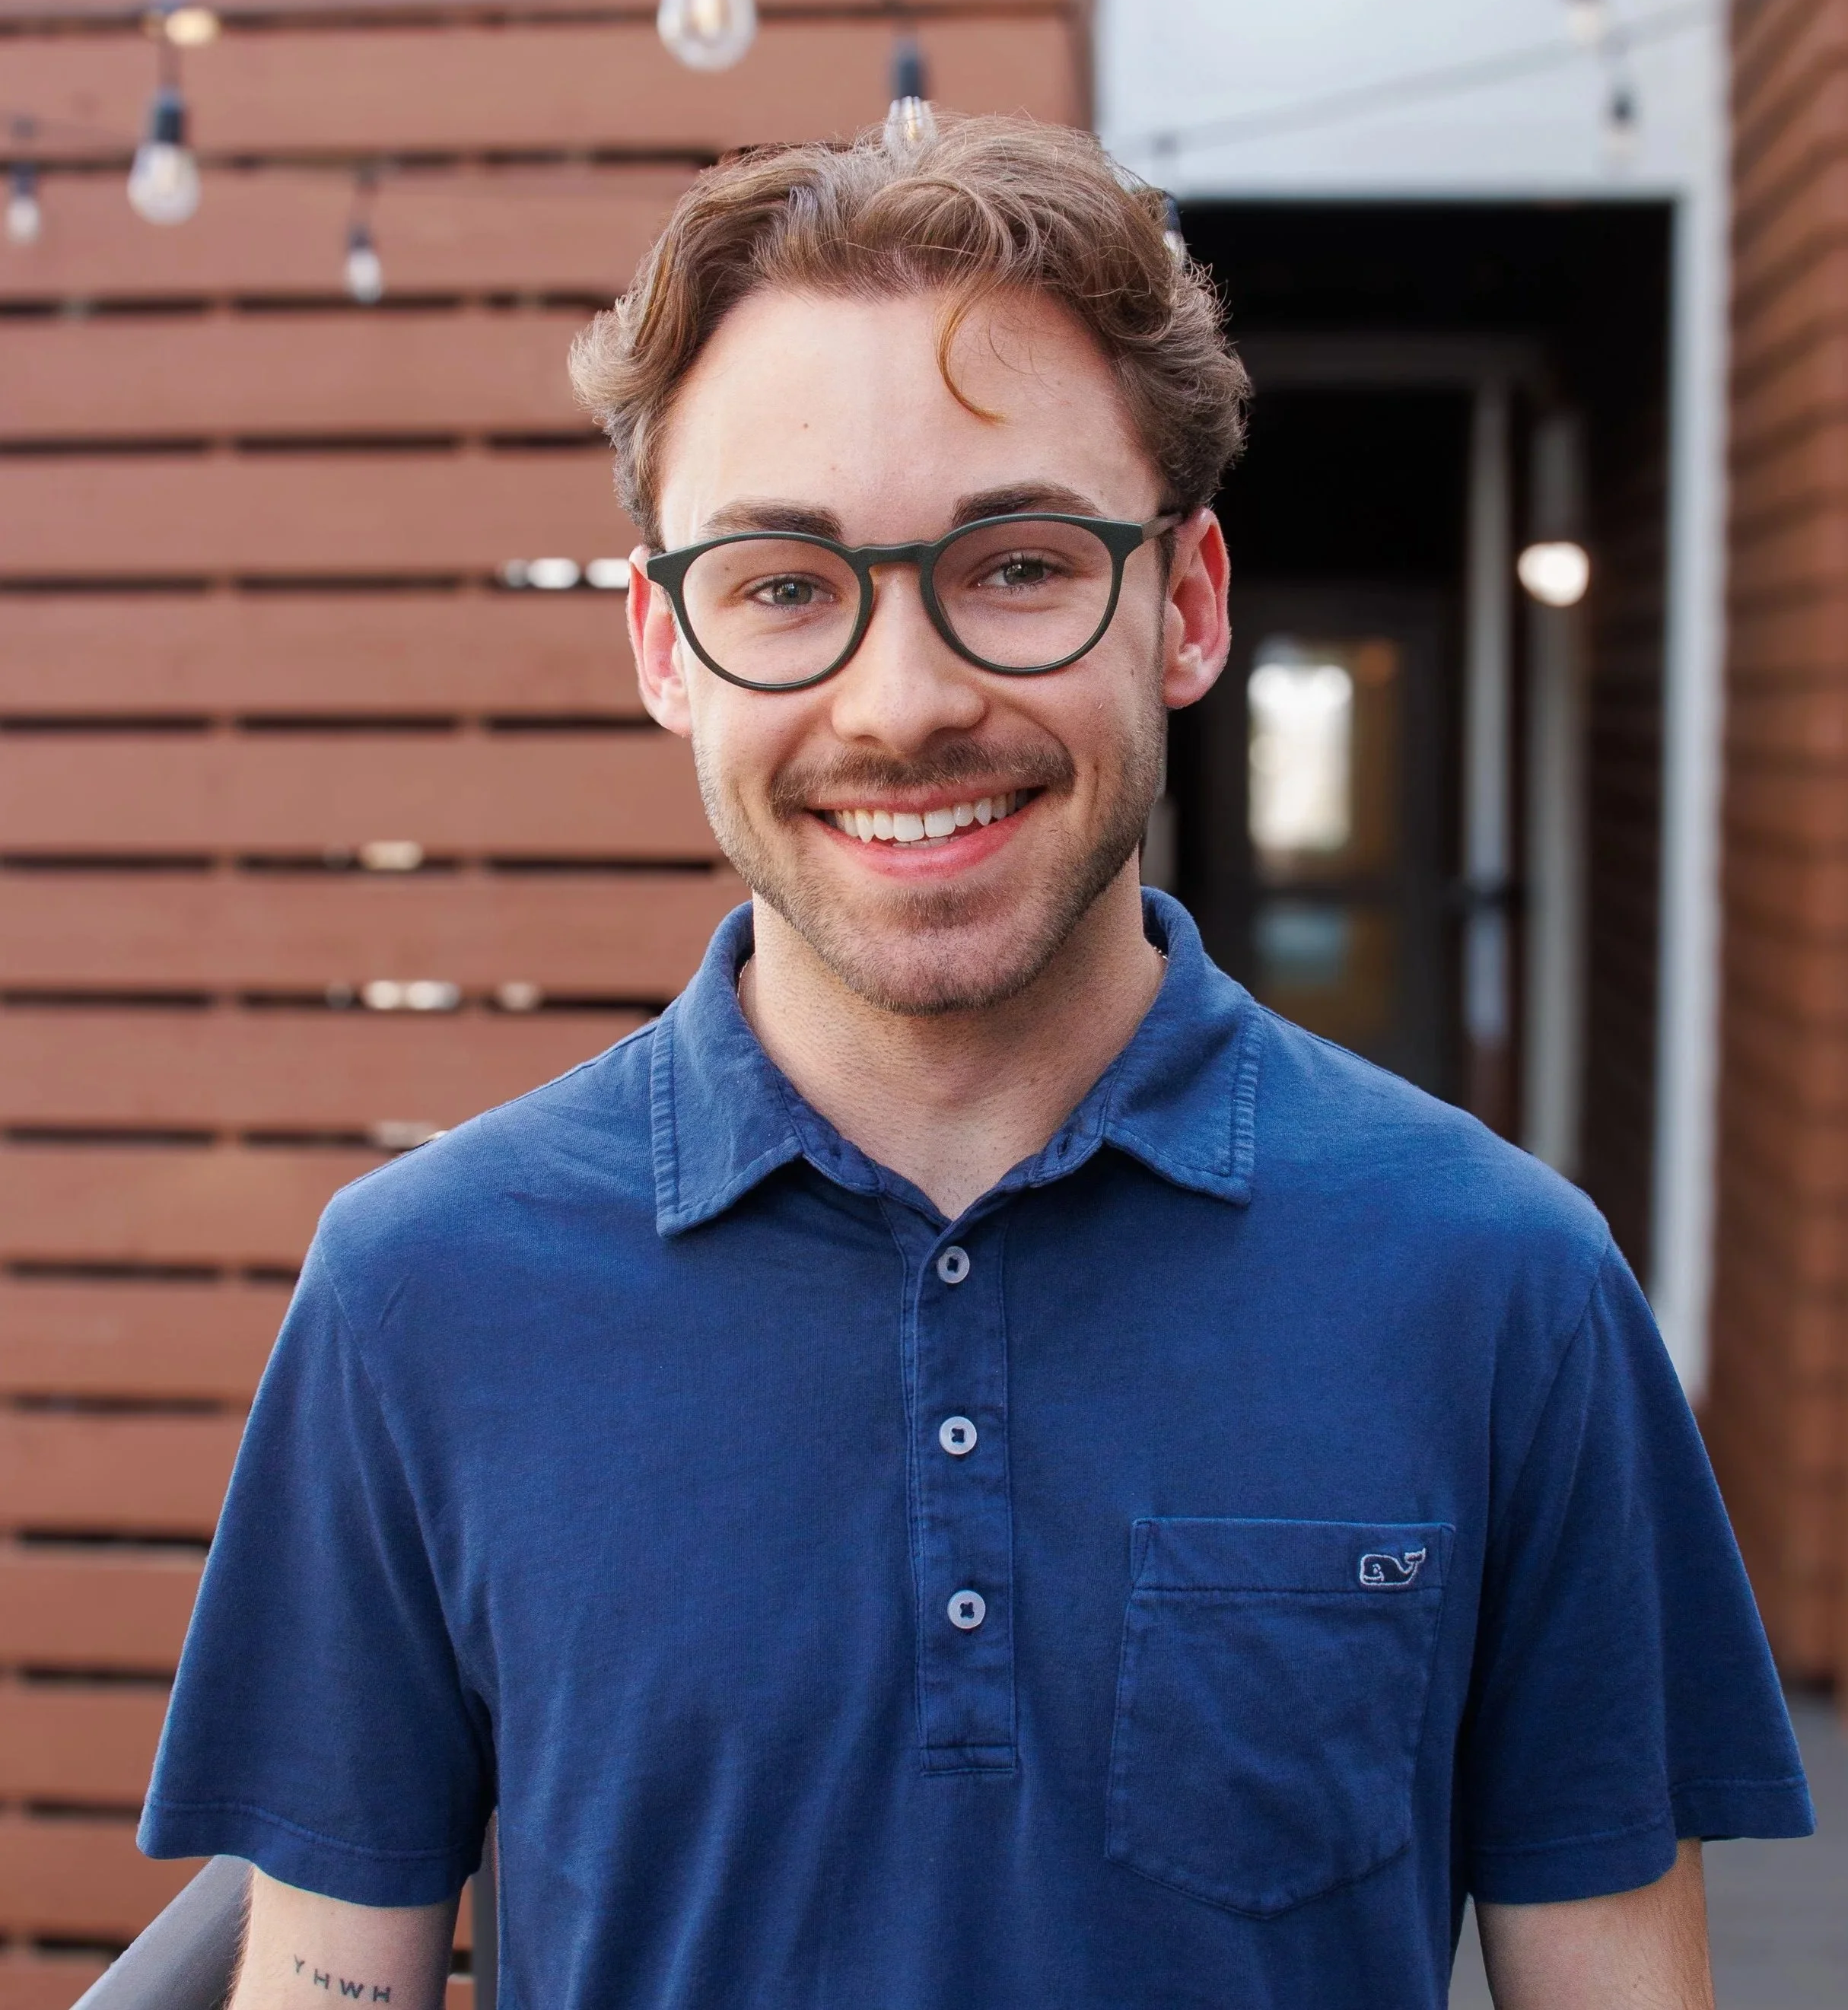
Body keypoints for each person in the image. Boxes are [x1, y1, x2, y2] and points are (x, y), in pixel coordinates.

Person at [142, 117, 1811, 2010]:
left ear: (1185, 604)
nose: (905, 701)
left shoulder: (1502, 1286)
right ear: (665, 647)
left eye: (1016, 563)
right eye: (783, 583)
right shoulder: (419, 1297)